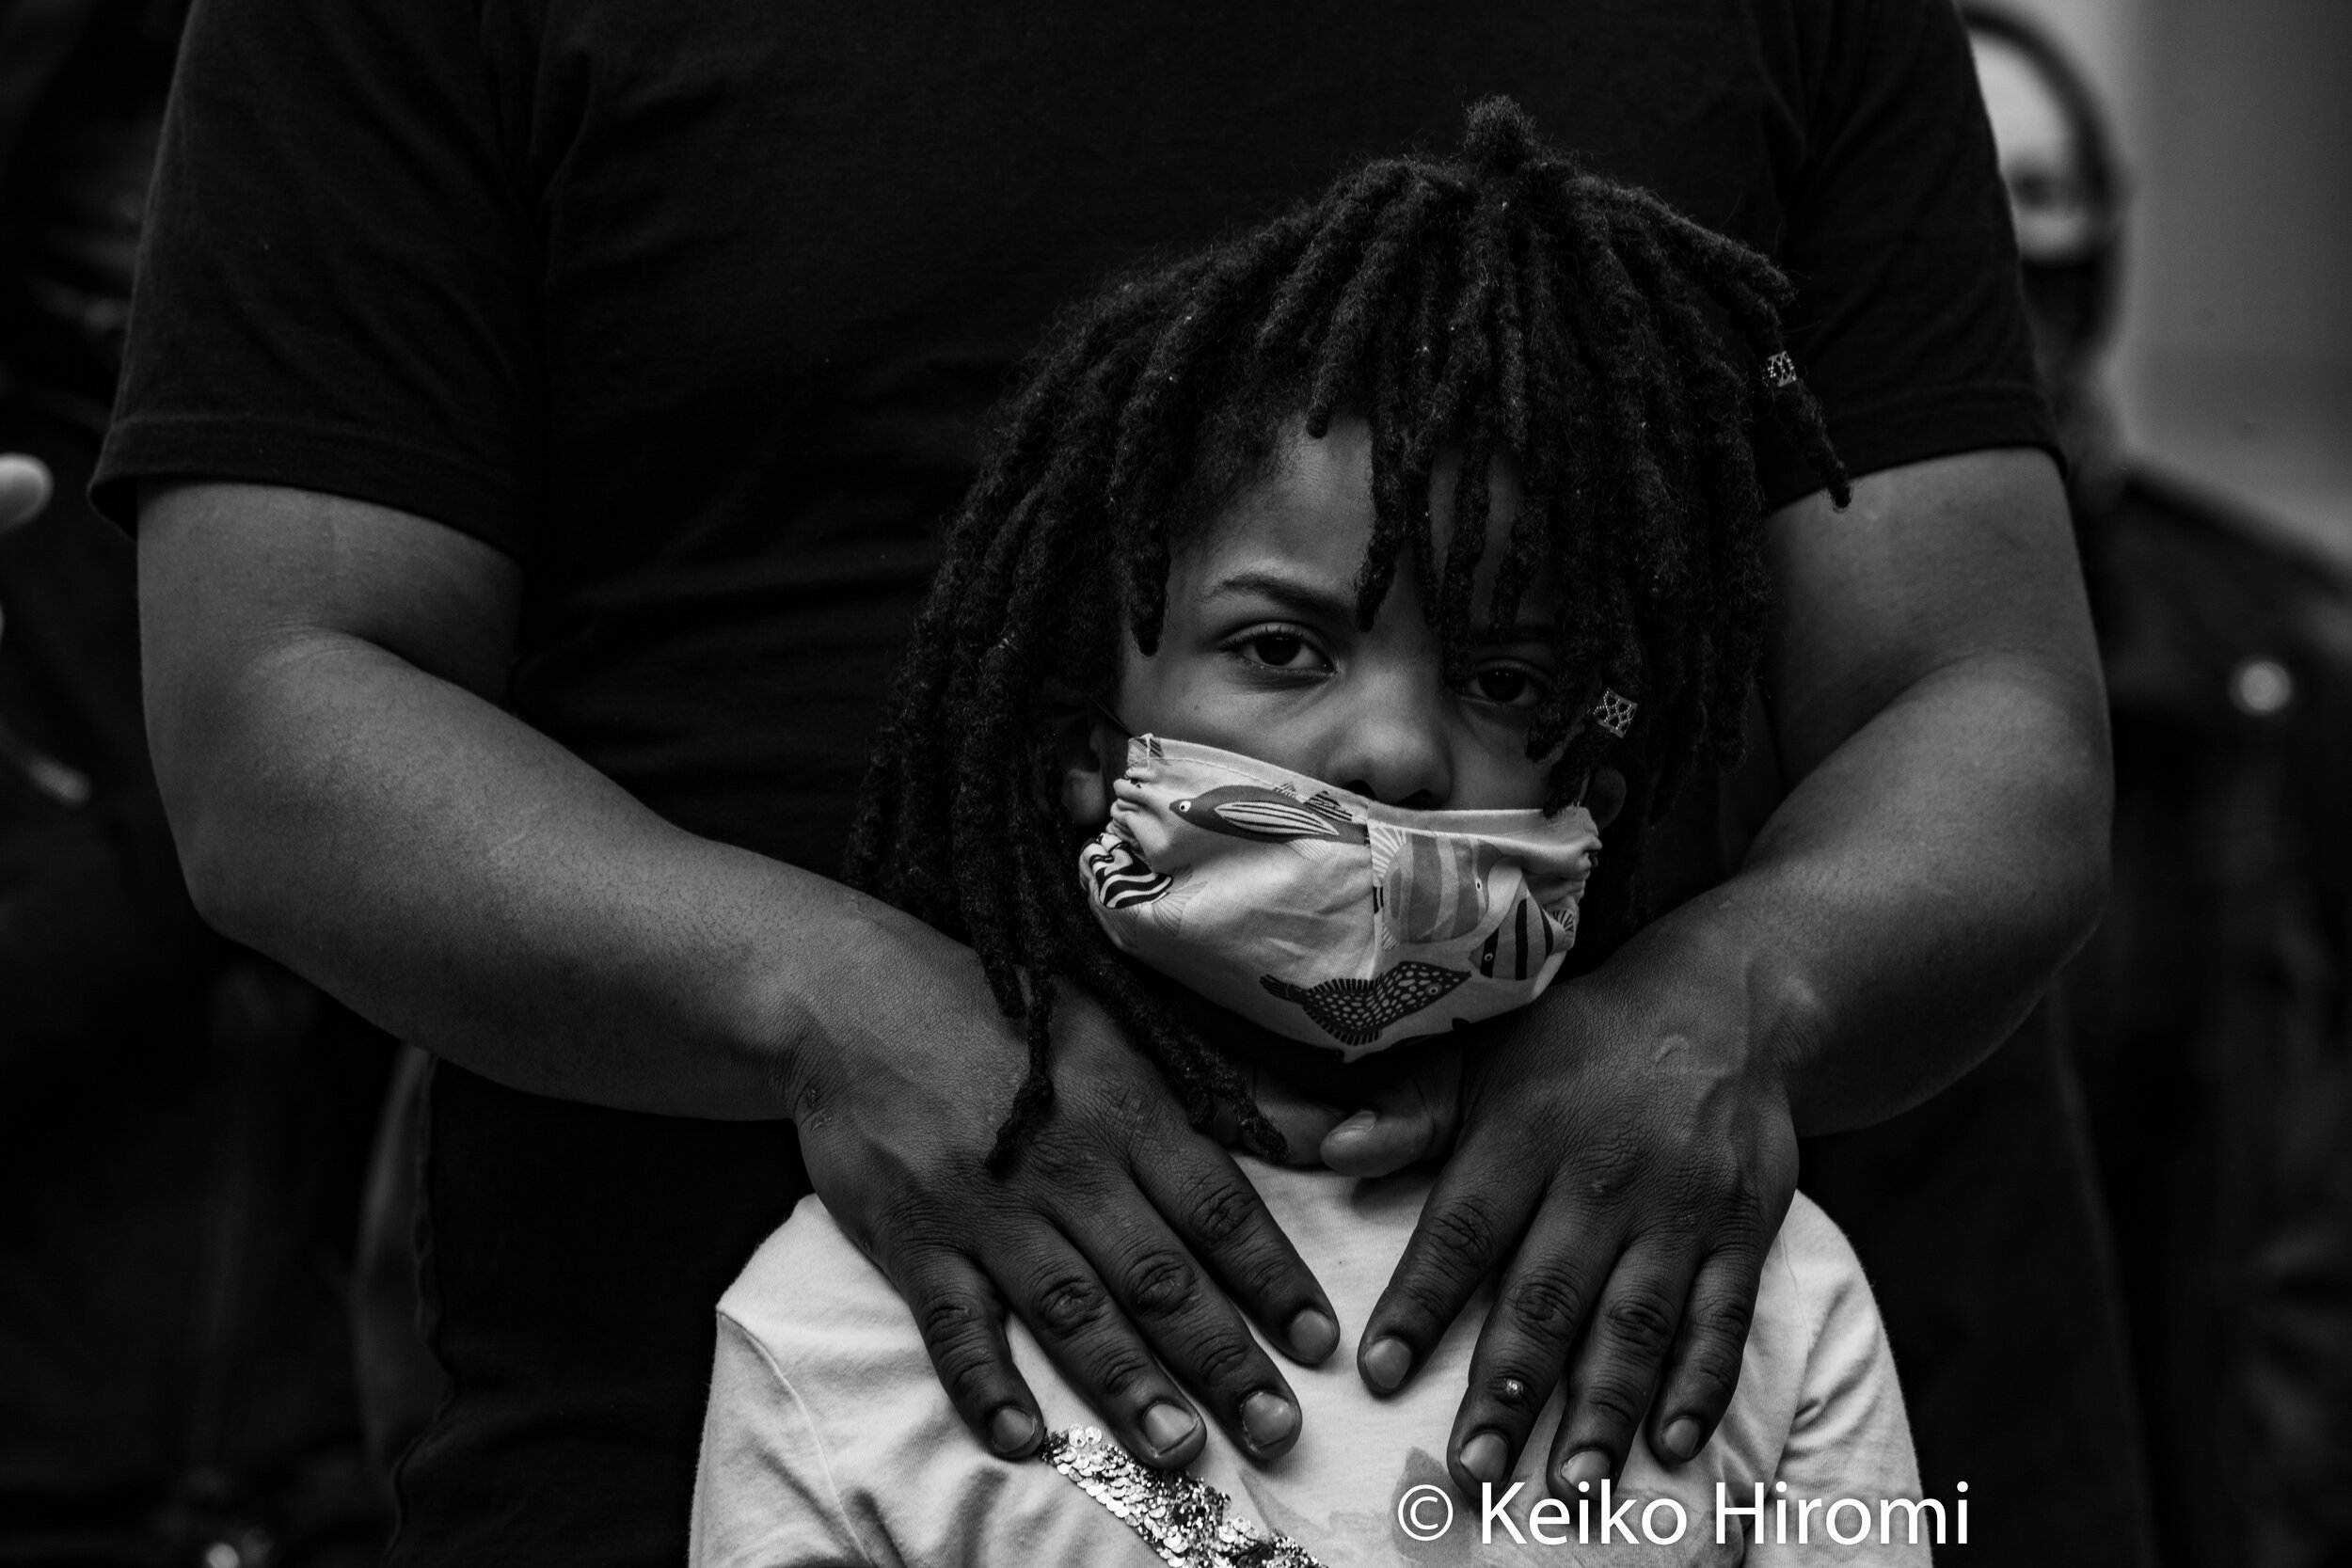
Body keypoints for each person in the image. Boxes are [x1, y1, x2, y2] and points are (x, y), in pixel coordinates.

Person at [101, 4, 2122, 1563]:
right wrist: (828, 1005)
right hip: (747, 1396)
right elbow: (284, 703)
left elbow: (1980, 702)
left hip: (1613, 1374)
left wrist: (1736, 1000)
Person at [692, 107, 1933, 1568]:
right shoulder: (850, 1321)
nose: (1396, 751)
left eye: (1510, 679)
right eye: (1284, 648)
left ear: (1590, 798)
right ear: (1084, 756)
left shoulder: (1755, 1293)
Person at [0, 2, 394, 1555]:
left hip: (335, 1489)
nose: (173, 190)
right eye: (129, 129)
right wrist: (281, 762)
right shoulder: (35, 529)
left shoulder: (396, 513)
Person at [1966, 10, 2352, 1564]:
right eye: (1975, 238)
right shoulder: (1699, 655)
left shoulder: (2274, 662)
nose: (2023, 307)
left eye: (2054, 227)